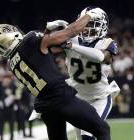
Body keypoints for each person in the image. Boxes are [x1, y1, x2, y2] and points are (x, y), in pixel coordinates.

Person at [0, 8, 111, 140]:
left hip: (45, 107)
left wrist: (47, 31)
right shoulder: (30, 40)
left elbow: (44, 50)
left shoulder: (11, 64)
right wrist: (89, 15)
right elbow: (71, 31)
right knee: (102, 129)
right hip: (61, 98)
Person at [46, 7, 120, 140]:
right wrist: (49, 31)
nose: (88, 28)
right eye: (86, 24)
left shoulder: (107, 43)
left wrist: (72, 47)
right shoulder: (71, 39)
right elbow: (46, 47)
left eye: (92, 24)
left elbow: (102, 57)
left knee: (88, 136)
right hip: (78, 99)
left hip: (99, 98)